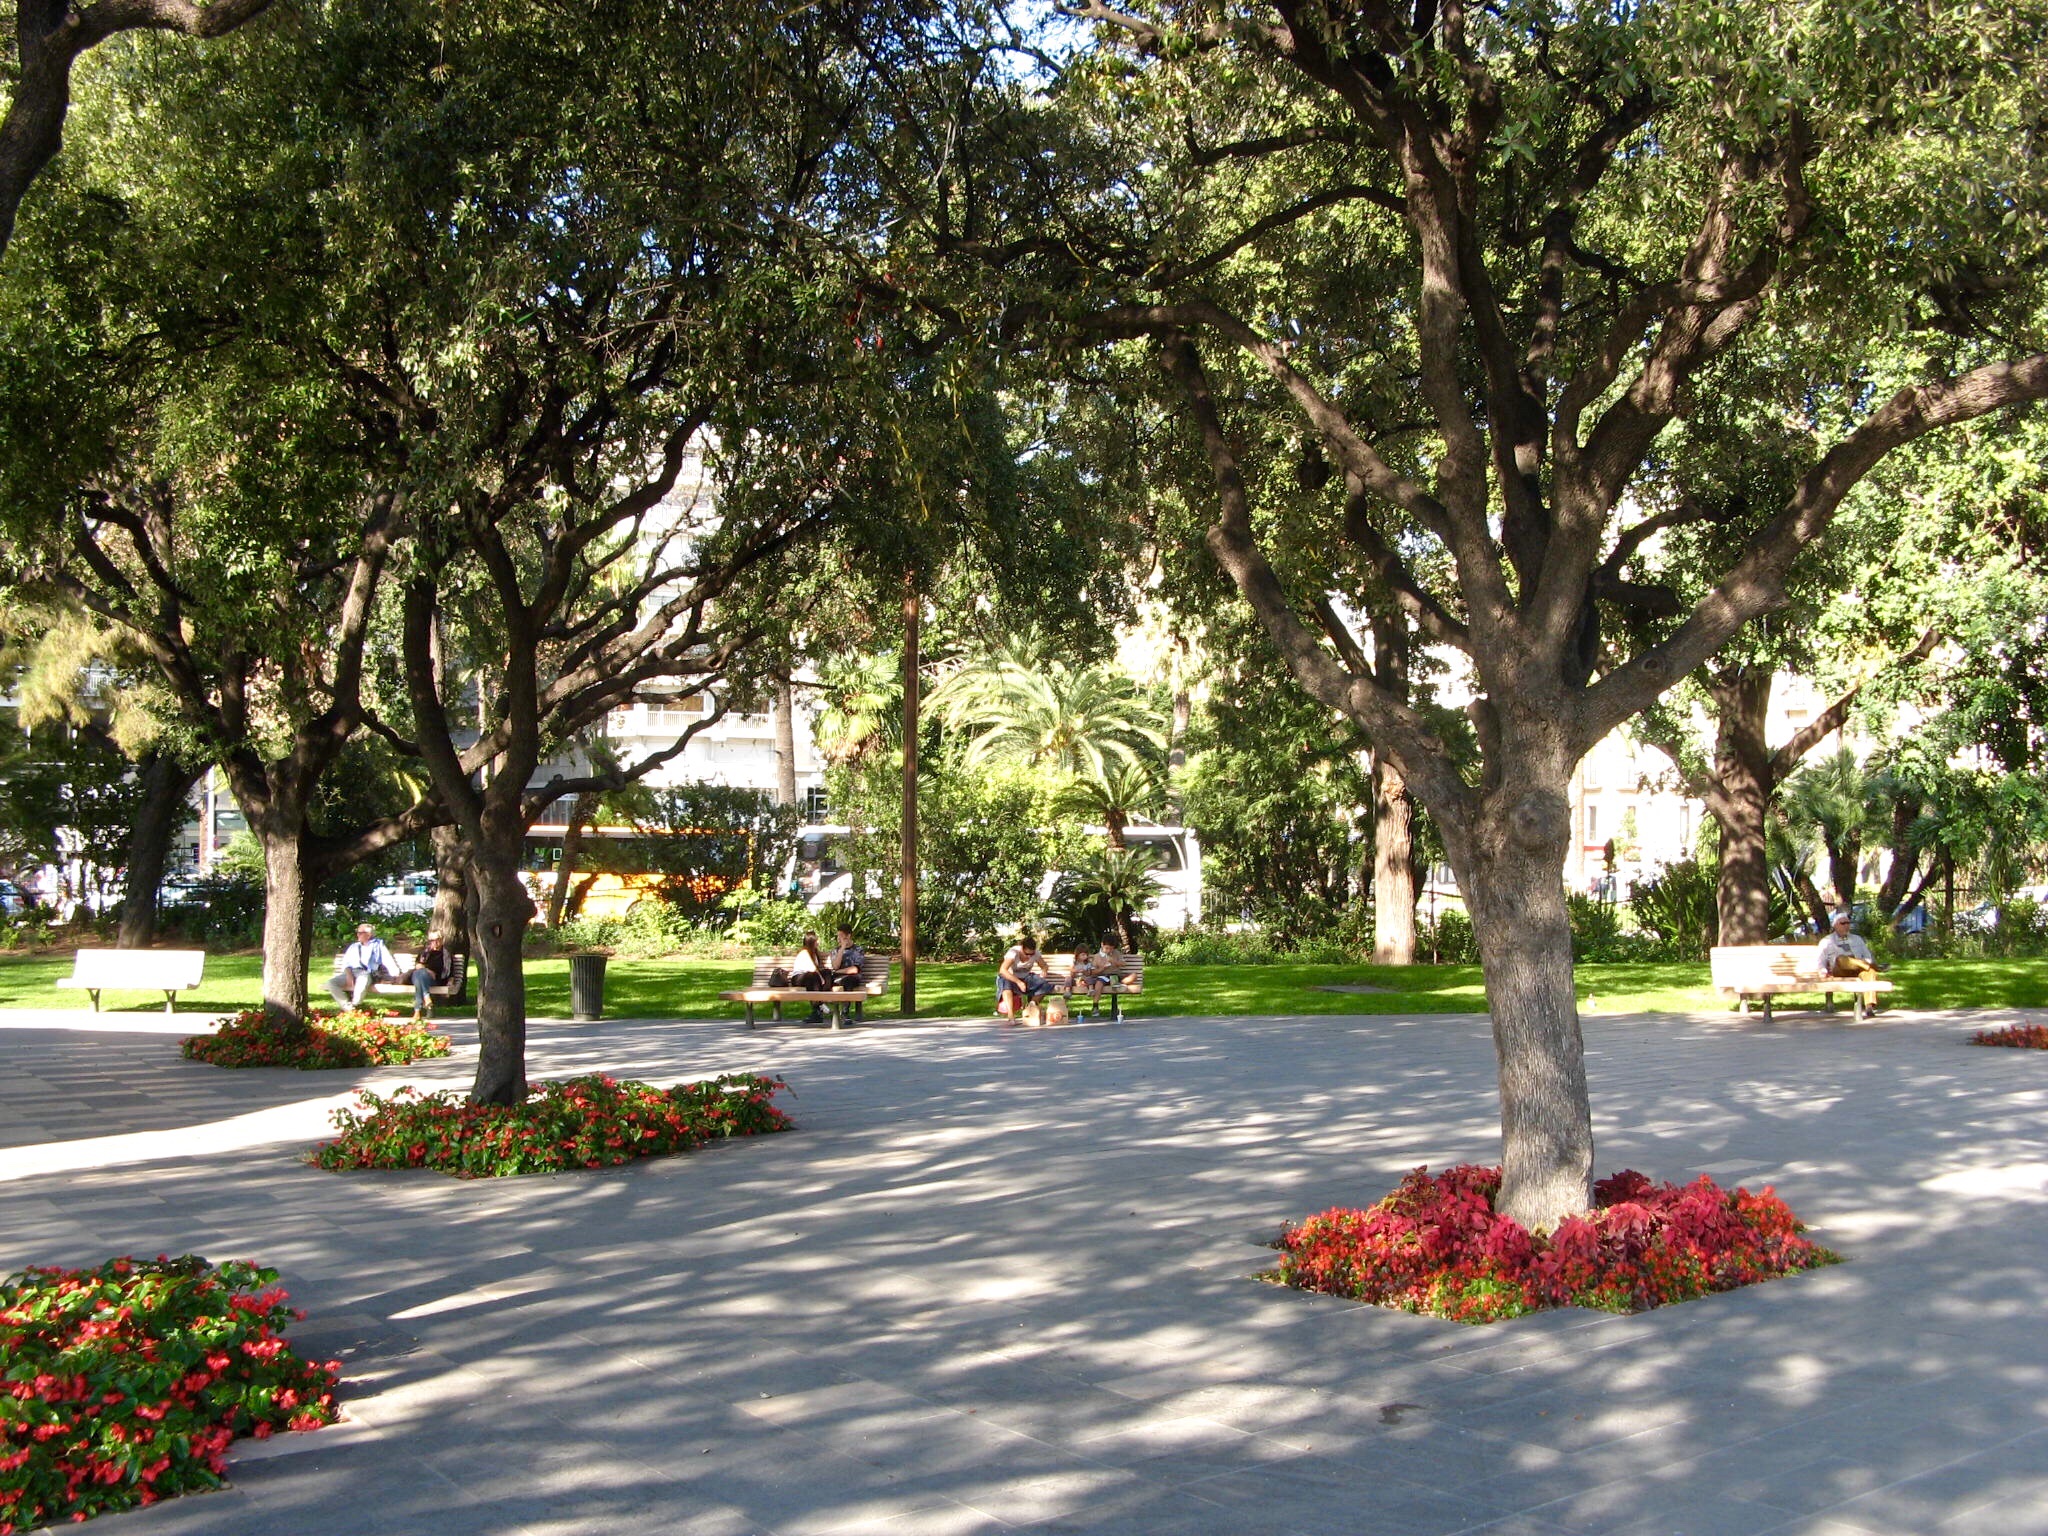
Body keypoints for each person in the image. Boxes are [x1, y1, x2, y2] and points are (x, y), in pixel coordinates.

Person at [330, 923, 400, 1007]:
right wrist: (349, 975)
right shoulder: (354, 946)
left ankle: (355, 1005)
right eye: (357, 932)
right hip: (351, 972)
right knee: (331, 983)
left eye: (360, 933)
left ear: (368, 935)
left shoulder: (377, 945)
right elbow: (346, 963)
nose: (357, 935)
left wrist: (395, 974)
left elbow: (387, 959)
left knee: (362, 980)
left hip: (367, 973)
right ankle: (347, 1007)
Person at [997, 934, 1057, 1020]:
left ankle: (1031, 1006)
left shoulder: (1036, 953)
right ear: (1022, 948)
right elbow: (1003, 970)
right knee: (1006, 983)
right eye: (1027, 954)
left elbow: (1044, 965)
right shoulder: (1013, 952)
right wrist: (1018, 982)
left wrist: (1044, 970)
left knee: (1045, 985)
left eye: (1031, 954)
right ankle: (1011, 1015)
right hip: (1011, 978)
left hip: (1026, 978)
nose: (1029, 956)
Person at [1818, 911, 1884, 978]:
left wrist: (1867, 962)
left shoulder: (1857, 939)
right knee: (1841, 959)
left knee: (1870, 973)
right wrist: (1823, 972)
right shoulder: (1826, 941)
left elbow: (1868, 957)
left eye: (1848, 923)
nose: (1846, 925)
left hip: (1858, 970)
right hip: (1840, 971)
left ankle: (1870, 972)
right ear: (1835, 926)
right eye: (1843, 923)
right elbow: (1821, 961)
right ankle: (1870, 967)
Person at [409, 933, 452, 1019]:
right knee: (420, 974)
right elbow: (418, 965)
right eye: (432, 940)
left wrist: (450, 982)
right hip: (420, 977)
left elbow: (450, 971)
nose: (435, 942)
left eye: (437, 940)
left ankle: (417, 1011)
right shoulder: (425, 952)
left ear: (441, 940)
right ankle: (427, 998)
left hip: (435, 980)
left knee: (419, 978)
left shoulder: (446, 954)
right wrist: (427, 971)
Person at [1072, 937, 1124, 1009]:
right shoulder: (1096, 957)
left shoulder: (1116, 953)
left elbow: (1123, 963)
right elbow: (1093, 972)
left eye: (1111, 949)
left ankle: (1118, 982)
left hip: (1116, 975)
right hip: (1103, 976)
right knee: (1099, 982)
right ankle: (1095, 1006)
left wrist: (1114, 961)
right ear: (1102, 945)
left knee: (1133, 976)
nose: (1109, 951)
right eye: (1107, 948)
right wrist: (1102, 968)